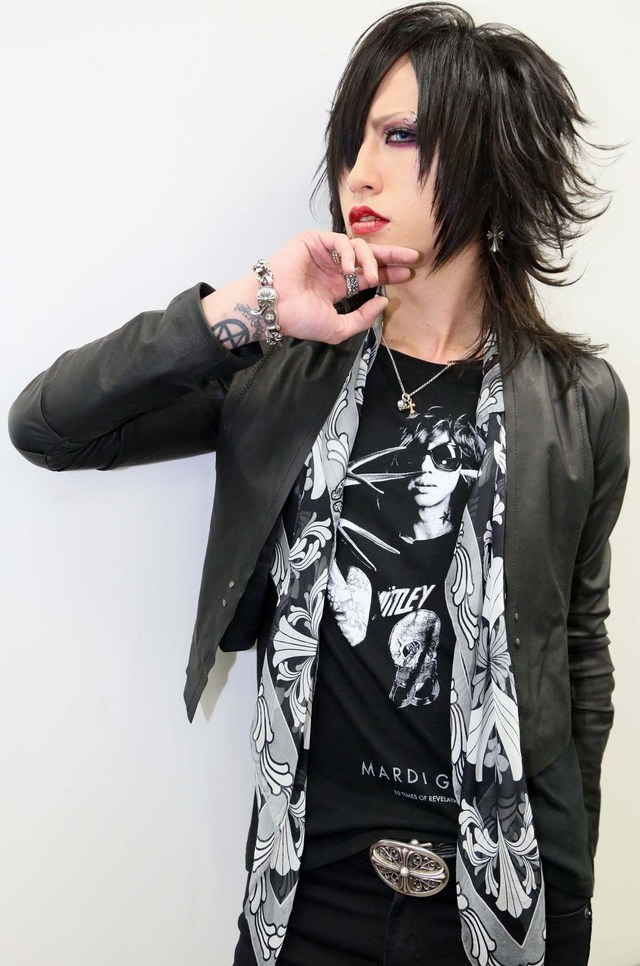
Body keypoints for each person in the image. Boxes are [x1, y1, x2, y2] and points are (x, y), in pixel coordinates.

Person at [7, 3, 629, 965]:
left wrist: (572, 886)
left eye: (401, 136)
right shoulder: (285, 373)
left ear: (489, 156)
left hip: (502, 900)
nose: (360, 173)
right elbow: (47, 426)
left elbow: (578, 649)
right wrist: (249, 306)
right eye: (354, 142)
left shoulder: (579, 401)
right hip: (305, 898)